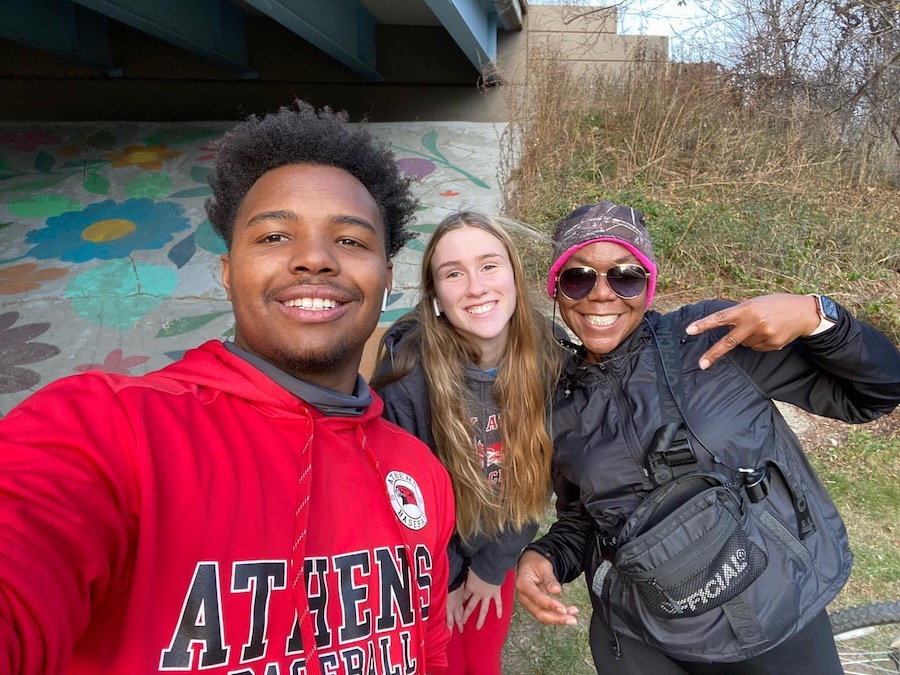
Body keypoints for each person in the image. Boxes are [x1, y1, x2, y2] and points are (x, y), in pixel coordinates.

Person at [0, 103, 456, 674]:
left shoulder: (421, 475)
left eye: (351, 241)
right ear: (227, 271)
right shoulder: (111, 430)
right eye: (273, 236)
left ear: (387, 277)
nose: (314, 259)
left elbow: (428, 649)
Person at [515, 201, 900, 674]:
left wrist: (818, 317)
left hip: (777, 610)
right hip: (646, 634)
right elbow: (586, 517)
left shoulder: (711, 339)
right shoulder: (559, 401)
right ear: (556, 287)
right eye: (578, 278)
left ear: (649, 284)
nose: (601, 295)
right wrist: (546, 554)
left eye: (625, 276)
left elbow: (876, 392)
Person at [370, 211, 561, 674]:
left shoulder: (551, 361)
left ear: (515, 275)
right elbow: (401, 503)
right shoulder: (405, 380)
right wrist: (450, 576)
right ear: (436, 295)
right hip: (431, 564)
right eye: (454, 273)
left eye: (489, 265)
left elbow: (542, 480)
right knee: (442, 662)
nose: (476, 287)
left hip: (498, 546)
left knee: (483, 660)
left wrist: (494, 565)